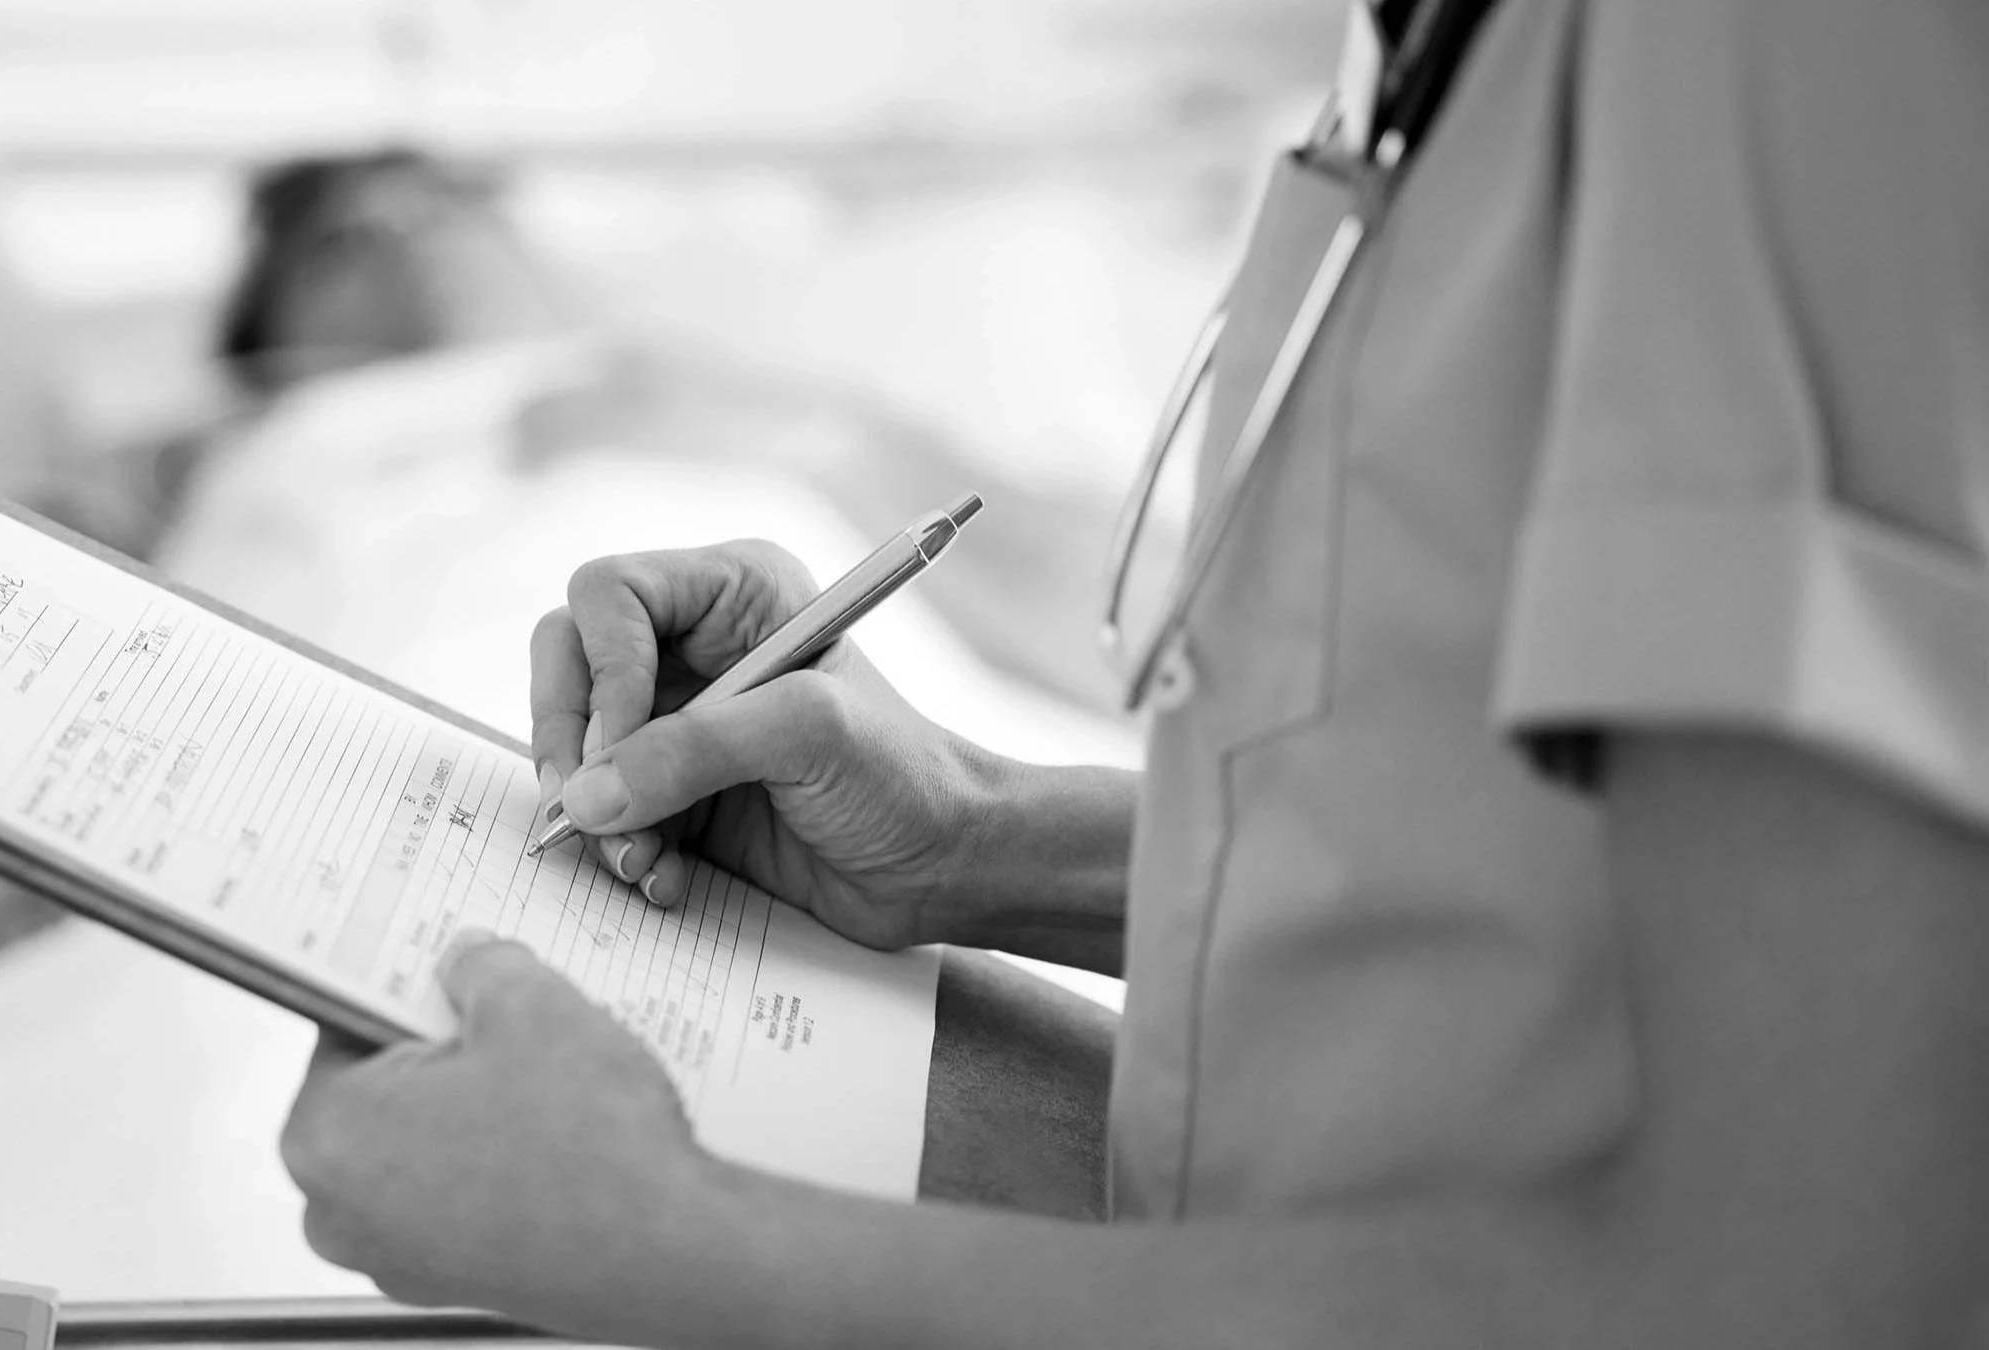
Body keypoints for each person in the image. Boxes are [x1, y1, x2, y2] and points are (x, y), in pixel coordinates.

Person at [279, 0, 1989, 1343]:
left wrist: (669, 1243)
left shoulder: (1771, 47)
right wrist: (979, 834)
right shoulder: (1460, 57)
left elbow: (1811, 1299)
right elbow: (1527, 887)